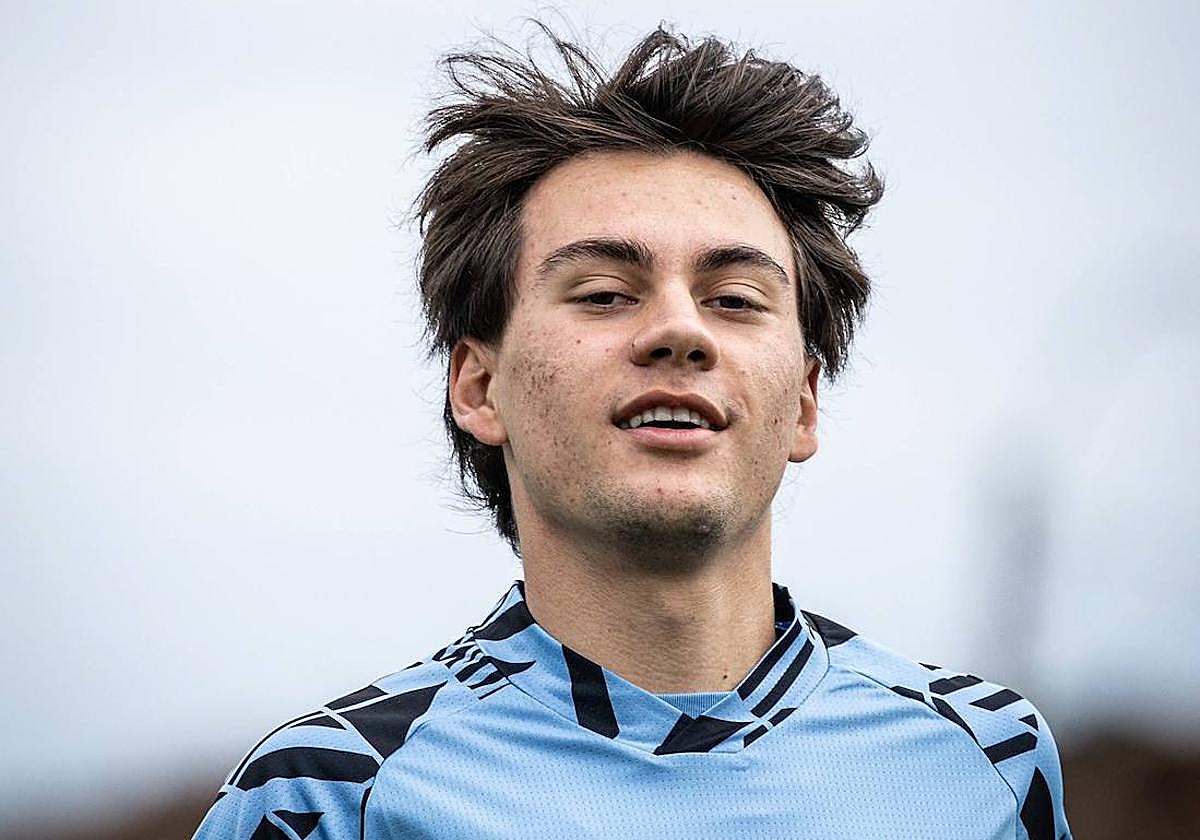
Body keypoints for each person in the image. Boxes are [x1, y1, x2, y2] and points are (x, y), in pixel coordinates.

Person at [193, 22, 1072, 840]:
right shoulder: (330, 797)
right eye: (606, 293)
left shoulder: (986, 759)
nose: (681, 330)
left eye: (735, 300)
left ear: (804, 403)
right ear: (479, 386)